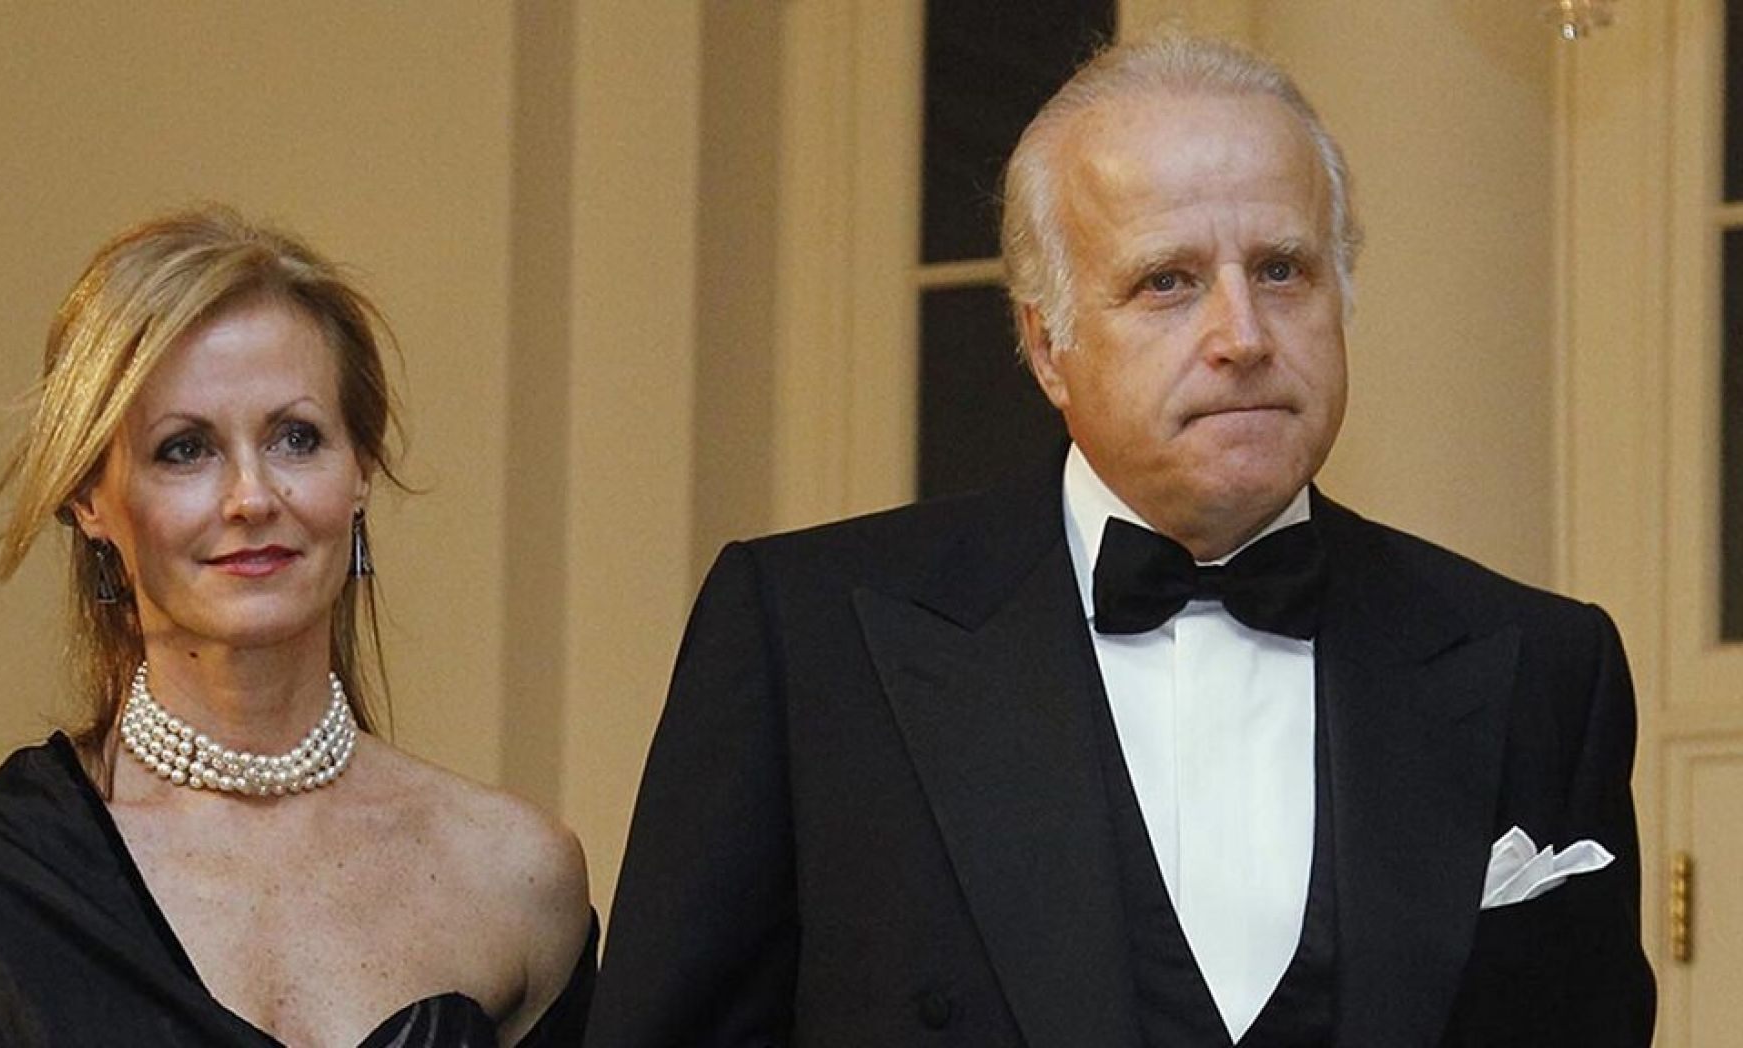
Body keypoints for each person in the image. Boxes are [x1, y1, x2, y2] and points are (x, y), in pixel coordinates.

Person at [588, 32, 1655, 1047]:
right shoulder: (805, 638)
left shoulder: (1541, 666)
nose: (1241, 336)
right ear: (1044, 343)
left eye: (1282, 269)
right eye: (1167, 281)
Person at [0, 206, 594, 1047]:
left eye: (297, 438)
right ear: (90, 499)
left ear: (360, 468)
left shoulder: (518, 879)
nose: (252, 498)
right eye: (185, 449)